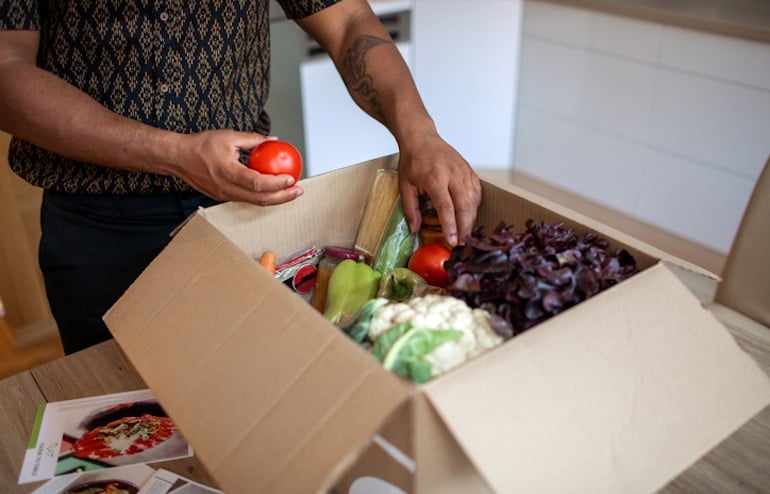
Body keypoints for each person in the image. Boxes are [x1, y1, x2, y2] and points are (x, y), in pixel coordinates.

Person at [0, 0, 482, 355]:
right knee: (124, 418)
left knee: (264, 383)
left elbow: (349, 20)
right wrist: (174, 153)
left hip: (249, 212)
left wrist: (419, 134)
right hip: (100, 228)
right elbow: (6, 68)